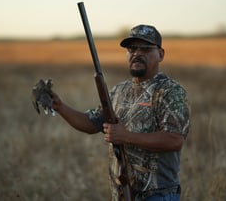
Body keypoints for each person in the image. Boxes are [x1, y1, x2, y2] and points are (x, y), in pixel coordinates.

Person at [51, 24, 190, 201]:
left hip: (157, 195)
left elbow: (174, 140)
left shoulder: (170, 91)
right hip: (123, 194)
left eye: (146, 49)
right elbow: (91, 123)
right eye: (132, 48)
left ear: (161, 54)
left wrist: (126, 136)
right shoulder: (119, 91)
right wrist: (60, 107)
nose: (137, 53)